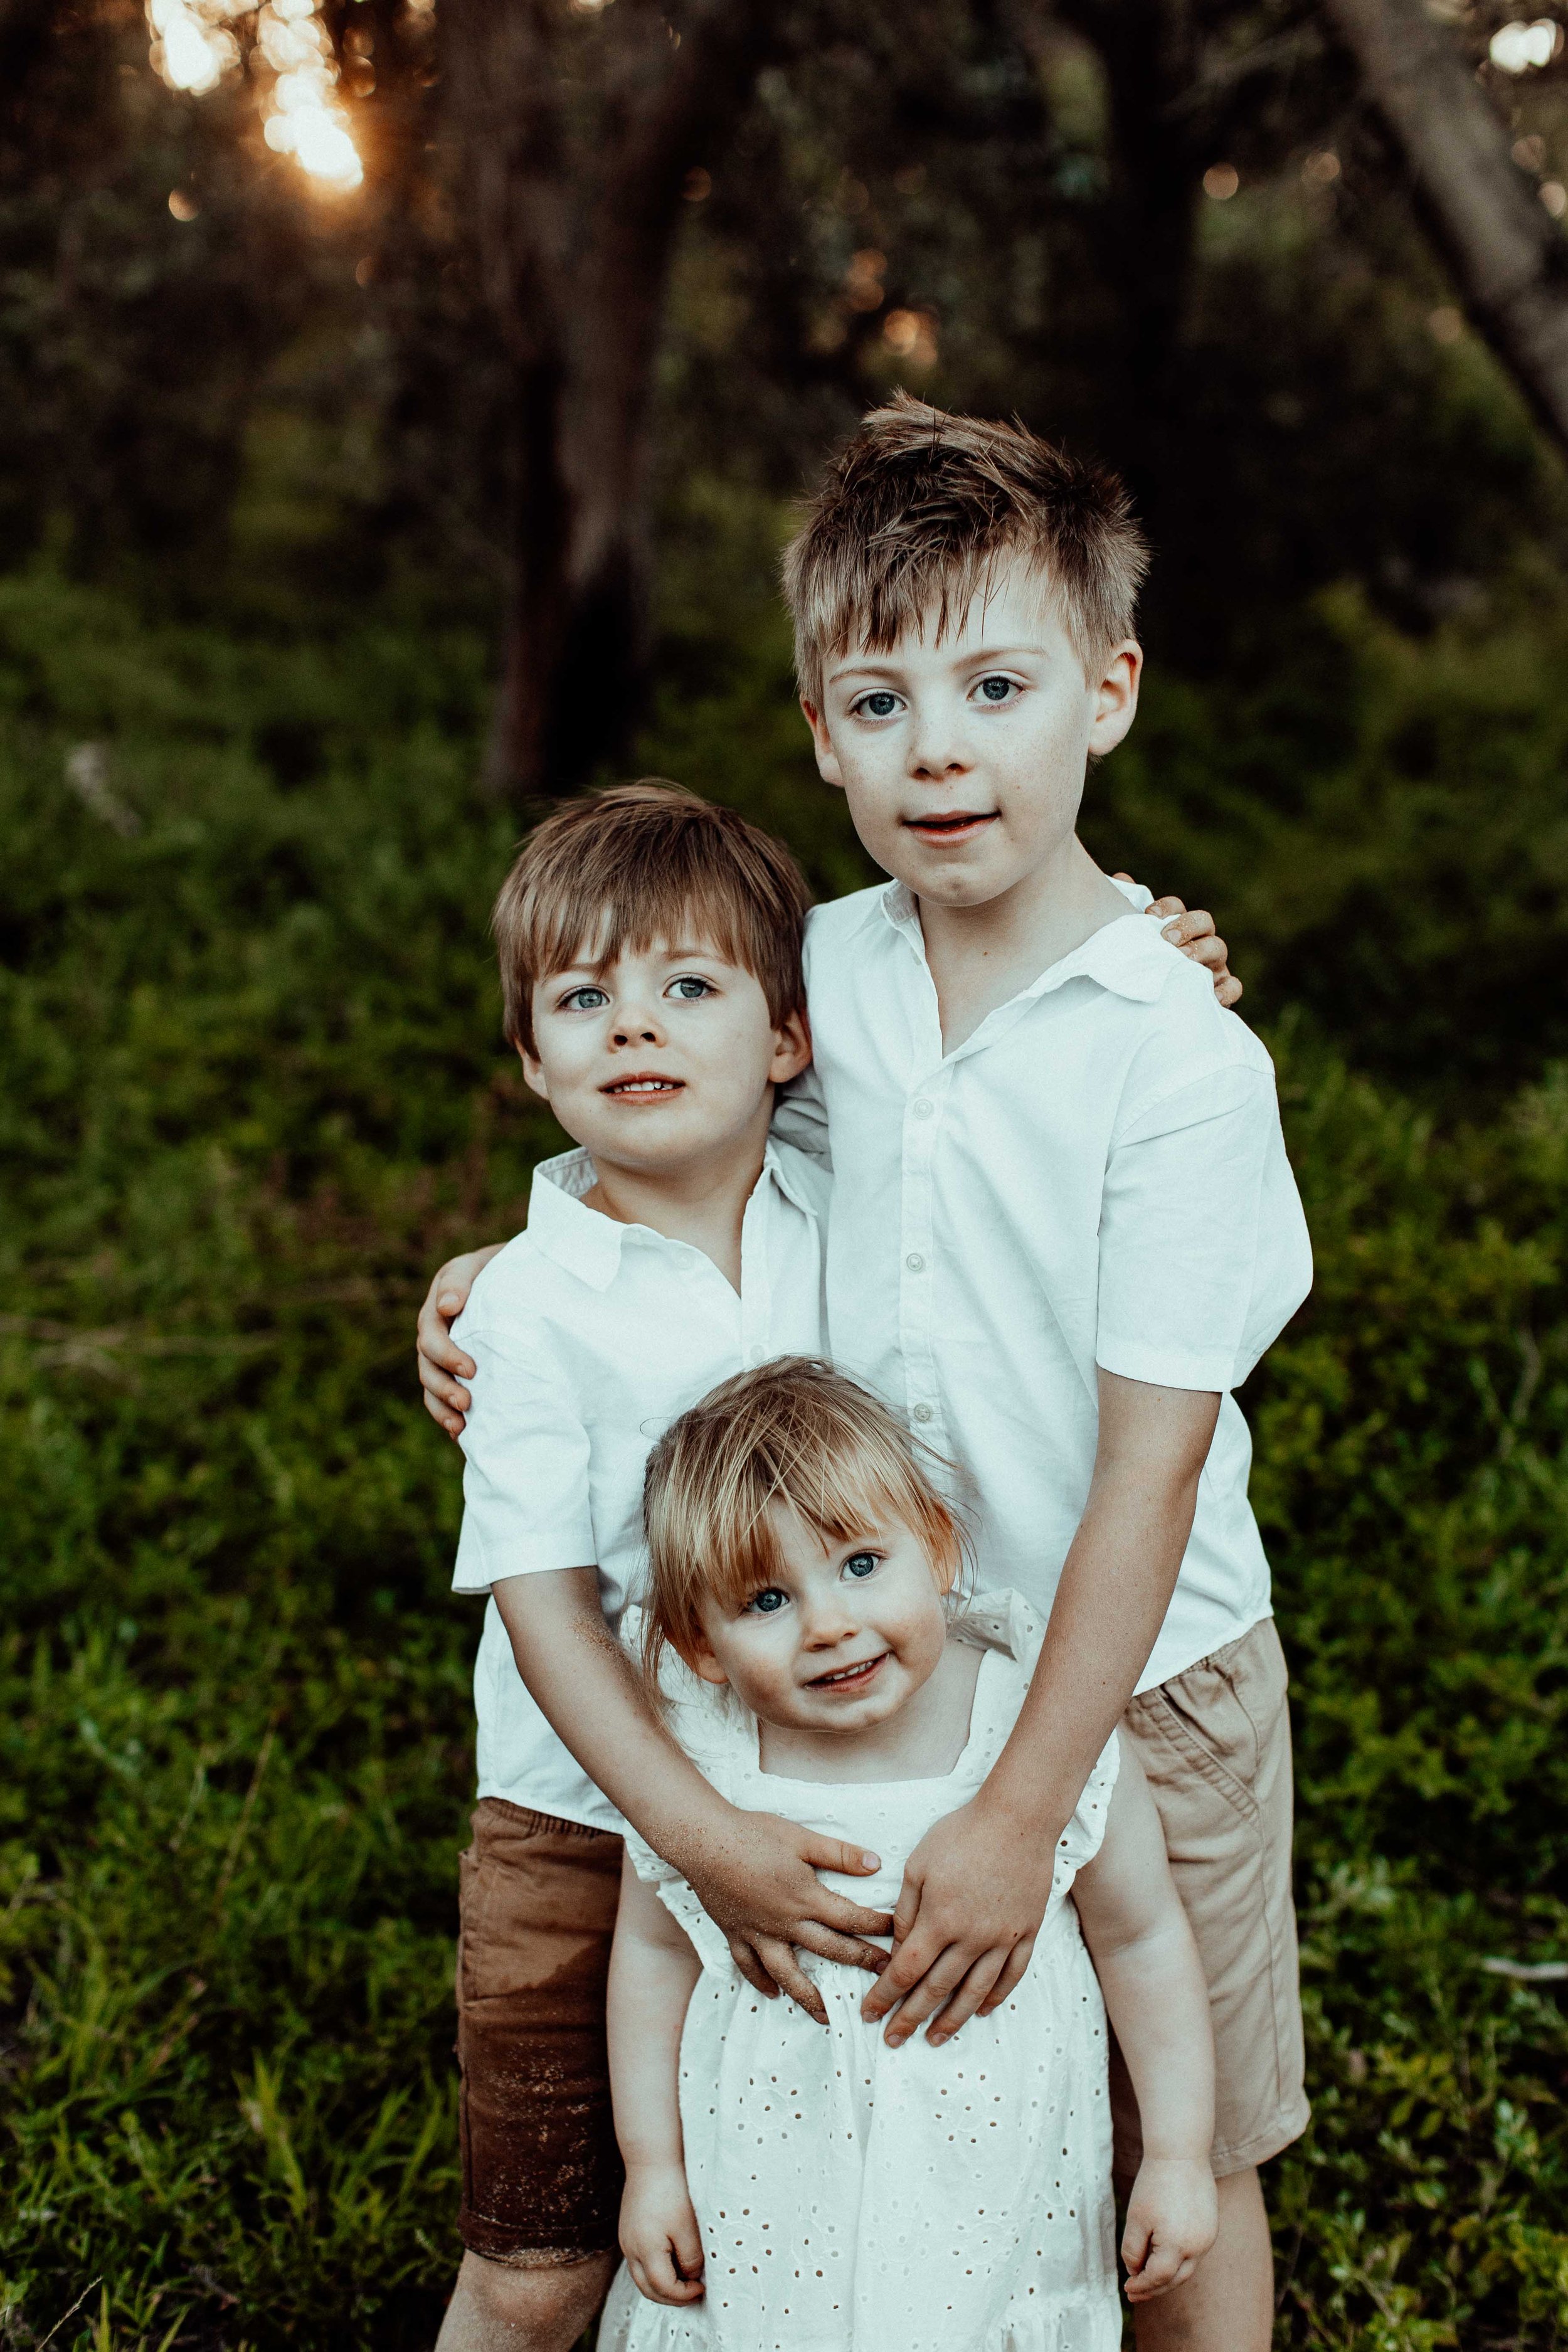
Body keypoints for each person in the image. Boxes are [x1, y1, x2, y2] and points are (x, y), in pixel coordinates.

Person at [420, 396, 1308, 2352]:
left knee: (1184, 2136)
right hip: (837, 1658)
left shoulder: (1173, 1053)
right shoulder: (820, 965)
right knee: (911, 2104)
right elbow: (676, 1117)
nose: (939, 748)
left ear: (1109, 691)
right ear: (819, 732)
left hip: (1137, 1668)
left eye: (997, 685)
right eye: (880, 701)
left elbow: (1150, 1475)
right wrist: (507, 1258)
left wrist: (1024, 1808)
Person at [434, 785, 901, 2352]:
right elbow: (546, 1607)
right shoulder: (531, 1309)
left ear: (785, 1040)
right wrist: (694, 1836)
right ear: (530, 1061)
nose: (631, 1027)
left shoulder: (846, 1218)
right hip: (577, 1829)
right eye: (582, 999)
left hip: (840, 1808)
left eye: (686, 988)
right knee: (545, 2261)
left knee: (782, 2238)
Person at [600, 1357, 1218, 2352]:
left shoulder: (1033, 1724)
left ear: (934, 1545)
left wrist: (1180, 2155)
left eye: (858, 1565)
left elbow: (1143, 1937)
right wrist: (654, 2167)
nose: (830, 1624)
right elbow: (654, 1957)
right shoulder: (706, 1759)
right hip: (768, 2199)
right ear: (700, 1645)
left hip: (997, 2191)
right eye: (766, 1601)